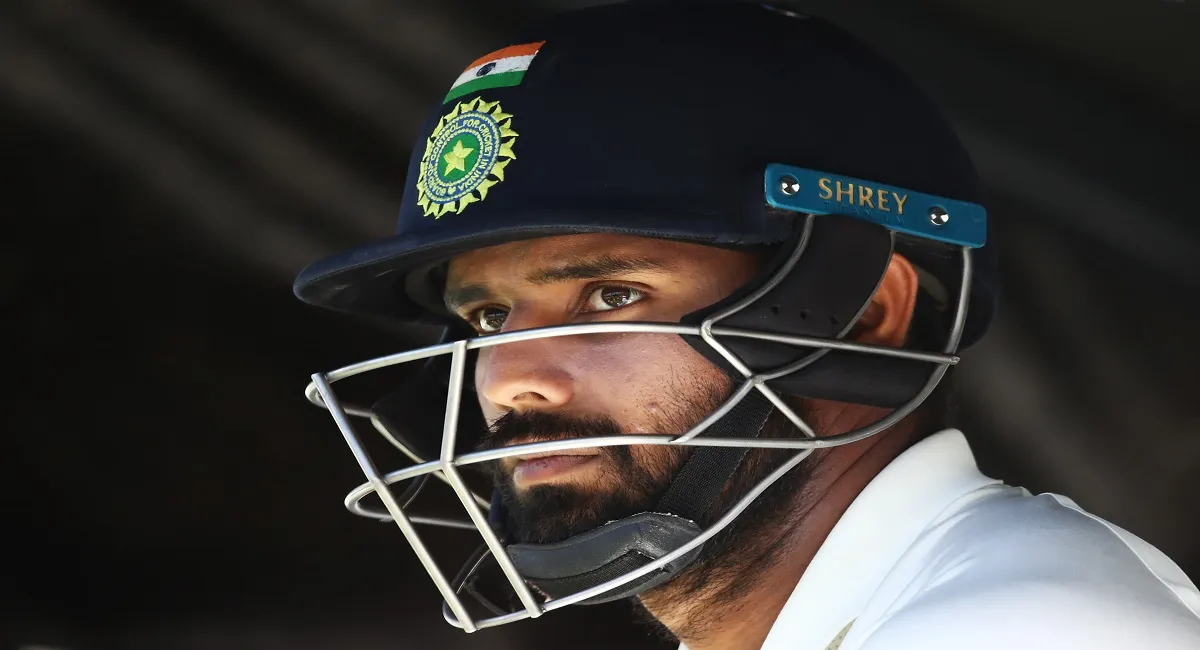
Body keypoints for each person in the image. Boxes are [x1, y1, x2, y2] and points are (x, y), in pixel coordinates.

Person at [292, 1, 1200, 648]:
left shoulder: (1026, 627)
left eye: (610, 295)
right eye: (488, 315)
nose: (508, 376)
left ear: (865, 314)